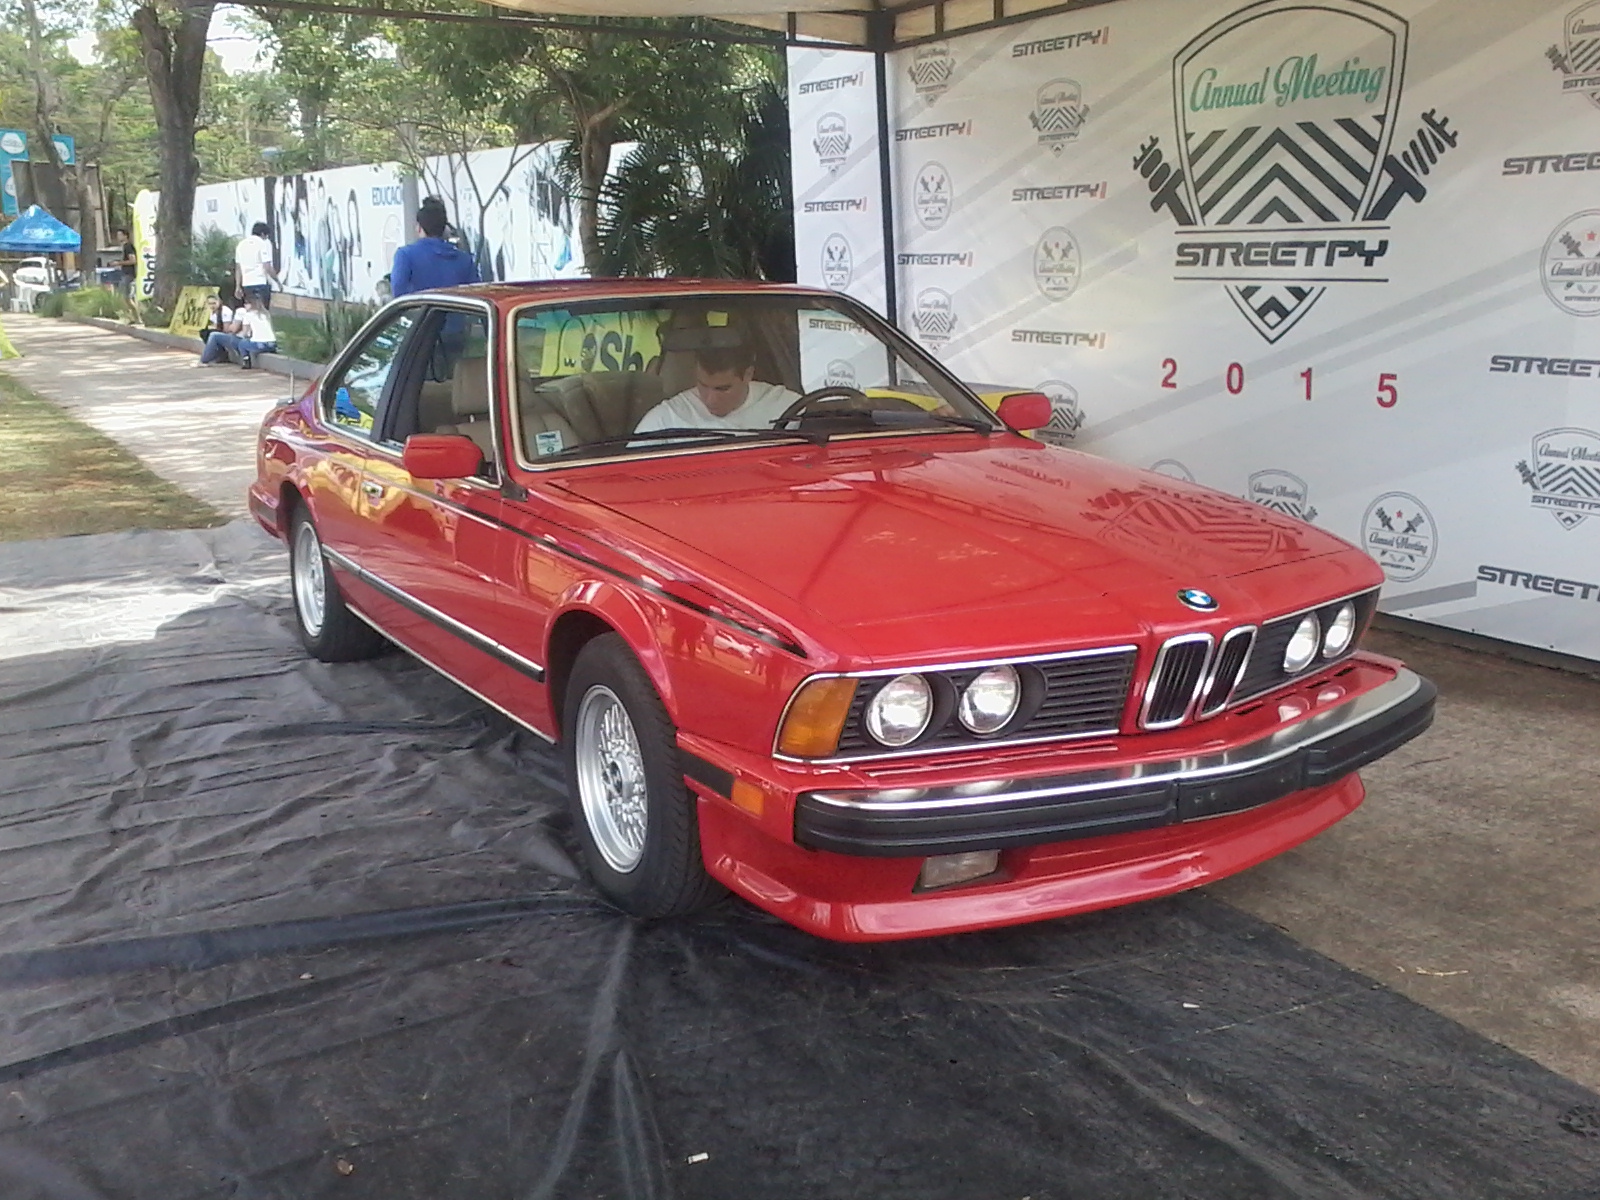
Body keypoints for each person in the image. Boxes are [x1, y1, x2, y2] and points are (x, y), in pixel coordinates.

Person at [634, 342, 800, 434]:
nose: (710, 400)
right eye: (703, 385)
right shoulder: (668, 418)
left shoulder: (786, 407)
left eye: (723, 389)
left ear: (748, 375)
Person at [391, 201, 479, 296]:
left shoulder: (405, 256)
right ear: (444, 229)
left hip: (421, 306)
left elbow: (398, 292)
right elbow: (477, 293)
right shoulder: (465, 260)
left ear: (419, 228)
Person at [198, 293, 276, 368]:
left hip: (256, 343)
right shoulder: (265, 313)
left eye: (246, 303)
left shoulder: (243, 313)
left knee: (215, 336)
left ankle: (204, 361)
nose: (244, 305)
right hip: (272, 343)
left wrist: (234, 329)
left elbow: (240, 332)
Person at [234, 221, 280, 309]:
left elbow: (238, 268)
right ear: (262, 234)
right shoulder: (262, 244)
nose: (266, 238)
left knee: (250, 310)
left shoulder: (241, 245)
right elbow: (267, 267)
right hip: (260, 282)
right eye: (266, 236)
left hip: (247, 283)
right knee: (263, 311)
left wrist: (238, 286)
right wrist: (277, 281)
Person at [114, 229, 136, 299]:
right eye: (117, 235)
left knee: (124, 296)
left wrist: (118, 263)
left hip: (128, 274)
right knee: (124, 296)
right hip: (124, 273)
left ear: (125, 236)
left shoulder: (128, 246)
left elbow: (133, 260)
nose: (118, 237)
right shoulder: (124, 247)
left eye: (120, 235)